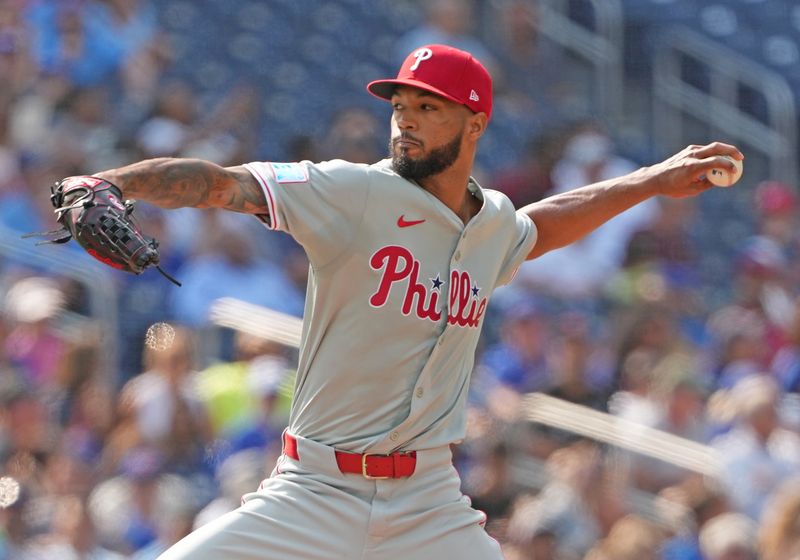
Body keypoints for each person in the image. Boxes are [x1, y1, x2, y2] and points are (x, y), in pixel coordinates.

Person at [69, 44, 741, 559]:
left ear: (474, 124)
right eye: (400, 107)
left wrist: (652, 180)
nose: (406, 123)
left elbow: (543, 224)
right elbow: (222, 185)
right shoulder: (349, 192)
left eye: (428, 108)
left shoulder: (493, 224)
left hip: (428, 503)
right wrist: (111, 181)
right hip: (315, 490)